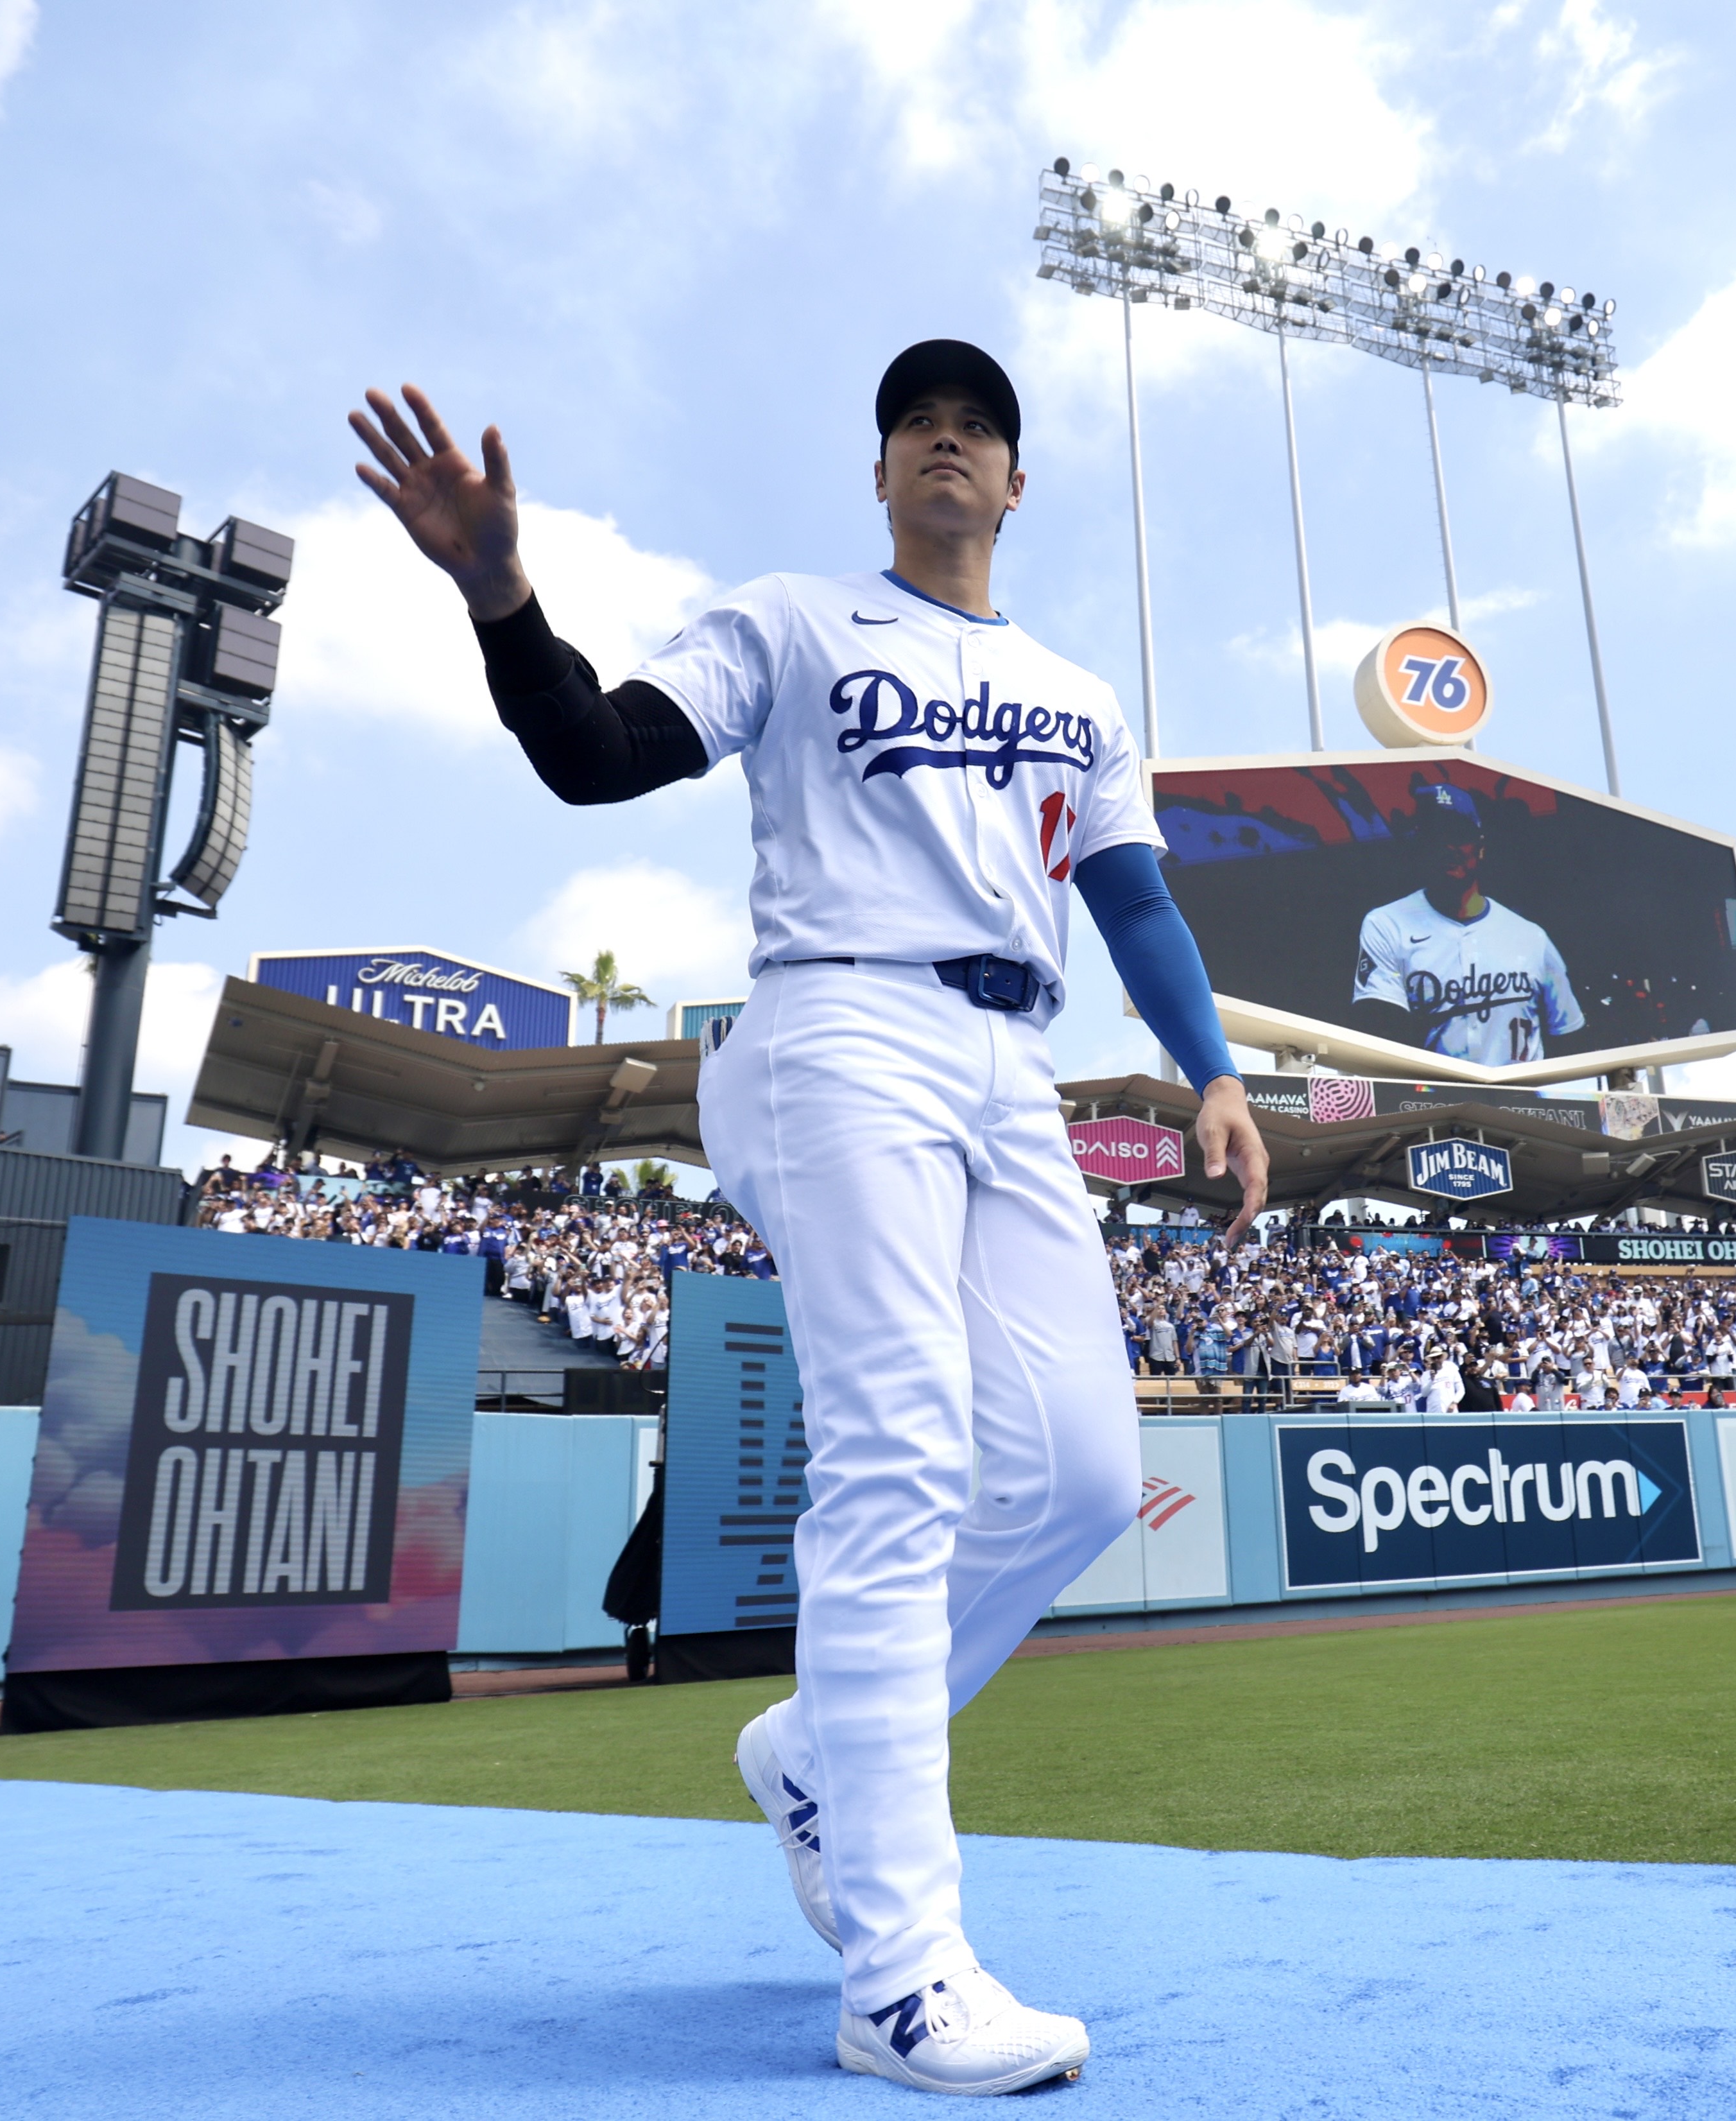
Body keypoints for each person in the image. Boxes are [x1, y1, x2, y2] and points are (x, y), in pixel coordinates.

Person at [350, 343, 1266, 2097]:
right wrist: (499, 595)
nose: (947, 435)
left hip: (1019, 1066)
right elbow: (601, 755)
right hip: (840, 1021)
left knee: (1077, 1475)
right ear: (881, 474)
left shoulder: (1079, 695)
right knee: (904, 1444)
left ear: (1015, 485)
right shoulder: (792, 621)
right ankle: (903, 1977)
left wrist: (1211, 1070)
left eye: (980, 424)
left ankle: (815, 1754)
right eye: (918, 419)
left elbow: (1136, 898)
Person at [1346, 782, 1581, 1064]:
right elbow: (1382, 1032)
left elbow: (1569, 1034)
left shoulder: (1531, 937)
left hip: (1519, 1099)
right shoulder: (1387, 924)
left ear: (1480, 846)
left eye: (1459, 835)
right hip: (1433, 1096)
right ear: (1421, 844)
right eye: (1436, 834)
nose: (1448, 847)